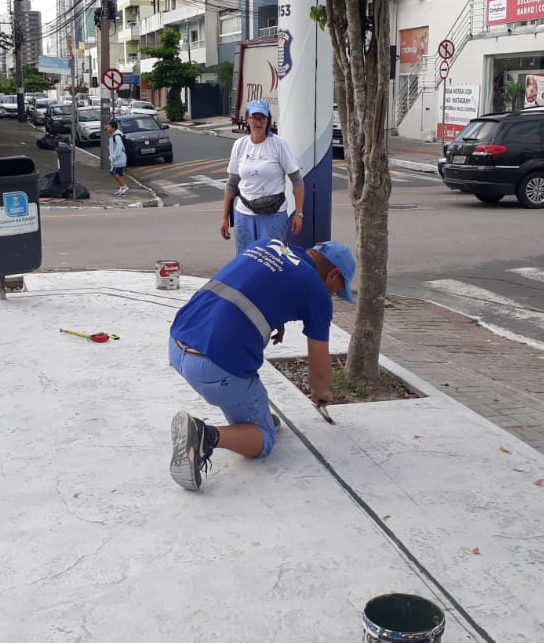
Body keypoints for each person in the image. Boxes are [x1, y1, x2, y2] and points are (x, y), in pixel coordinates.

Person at [167, 238, 357, 491]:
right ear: (334, 273)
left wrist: (276, 317)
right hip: (214, 366)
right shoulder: (317, 293)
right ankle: (204, 436)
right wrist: (322, 393)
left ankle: (257, 419)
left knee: (257, 410)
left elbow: (256, 284)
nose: (333, 295)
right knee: (265, 440)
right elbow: (320, 371)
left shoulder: (269, 245)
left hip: (178, 341)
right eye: (337, 289)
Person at [221, 99, 304, 254]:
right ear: (247, 119)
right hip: (244, 214)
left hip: (273, 214)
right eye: (254, 118)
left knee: (273, 260)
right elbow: (232, 184)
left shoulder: (280, 145)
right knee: (245, 260)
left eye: (262, 118)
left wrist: (299, 213)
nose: (258, 123)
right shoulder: (240, 145)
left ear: (268, 120)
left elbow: (297, 181)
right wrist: (224, 218)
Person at [107, 119, 128, 195]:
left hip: (119, 158)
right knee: (119, 174)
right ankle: (121, 188)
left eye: (109, 127)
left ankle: (124, 186)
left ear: (113, 128)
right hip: (119, 158)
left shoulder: (116, 136)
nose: (107, 128)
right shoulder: (113, 135)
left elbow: (119, 148)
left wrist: (113, 157)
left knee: (113, 172)